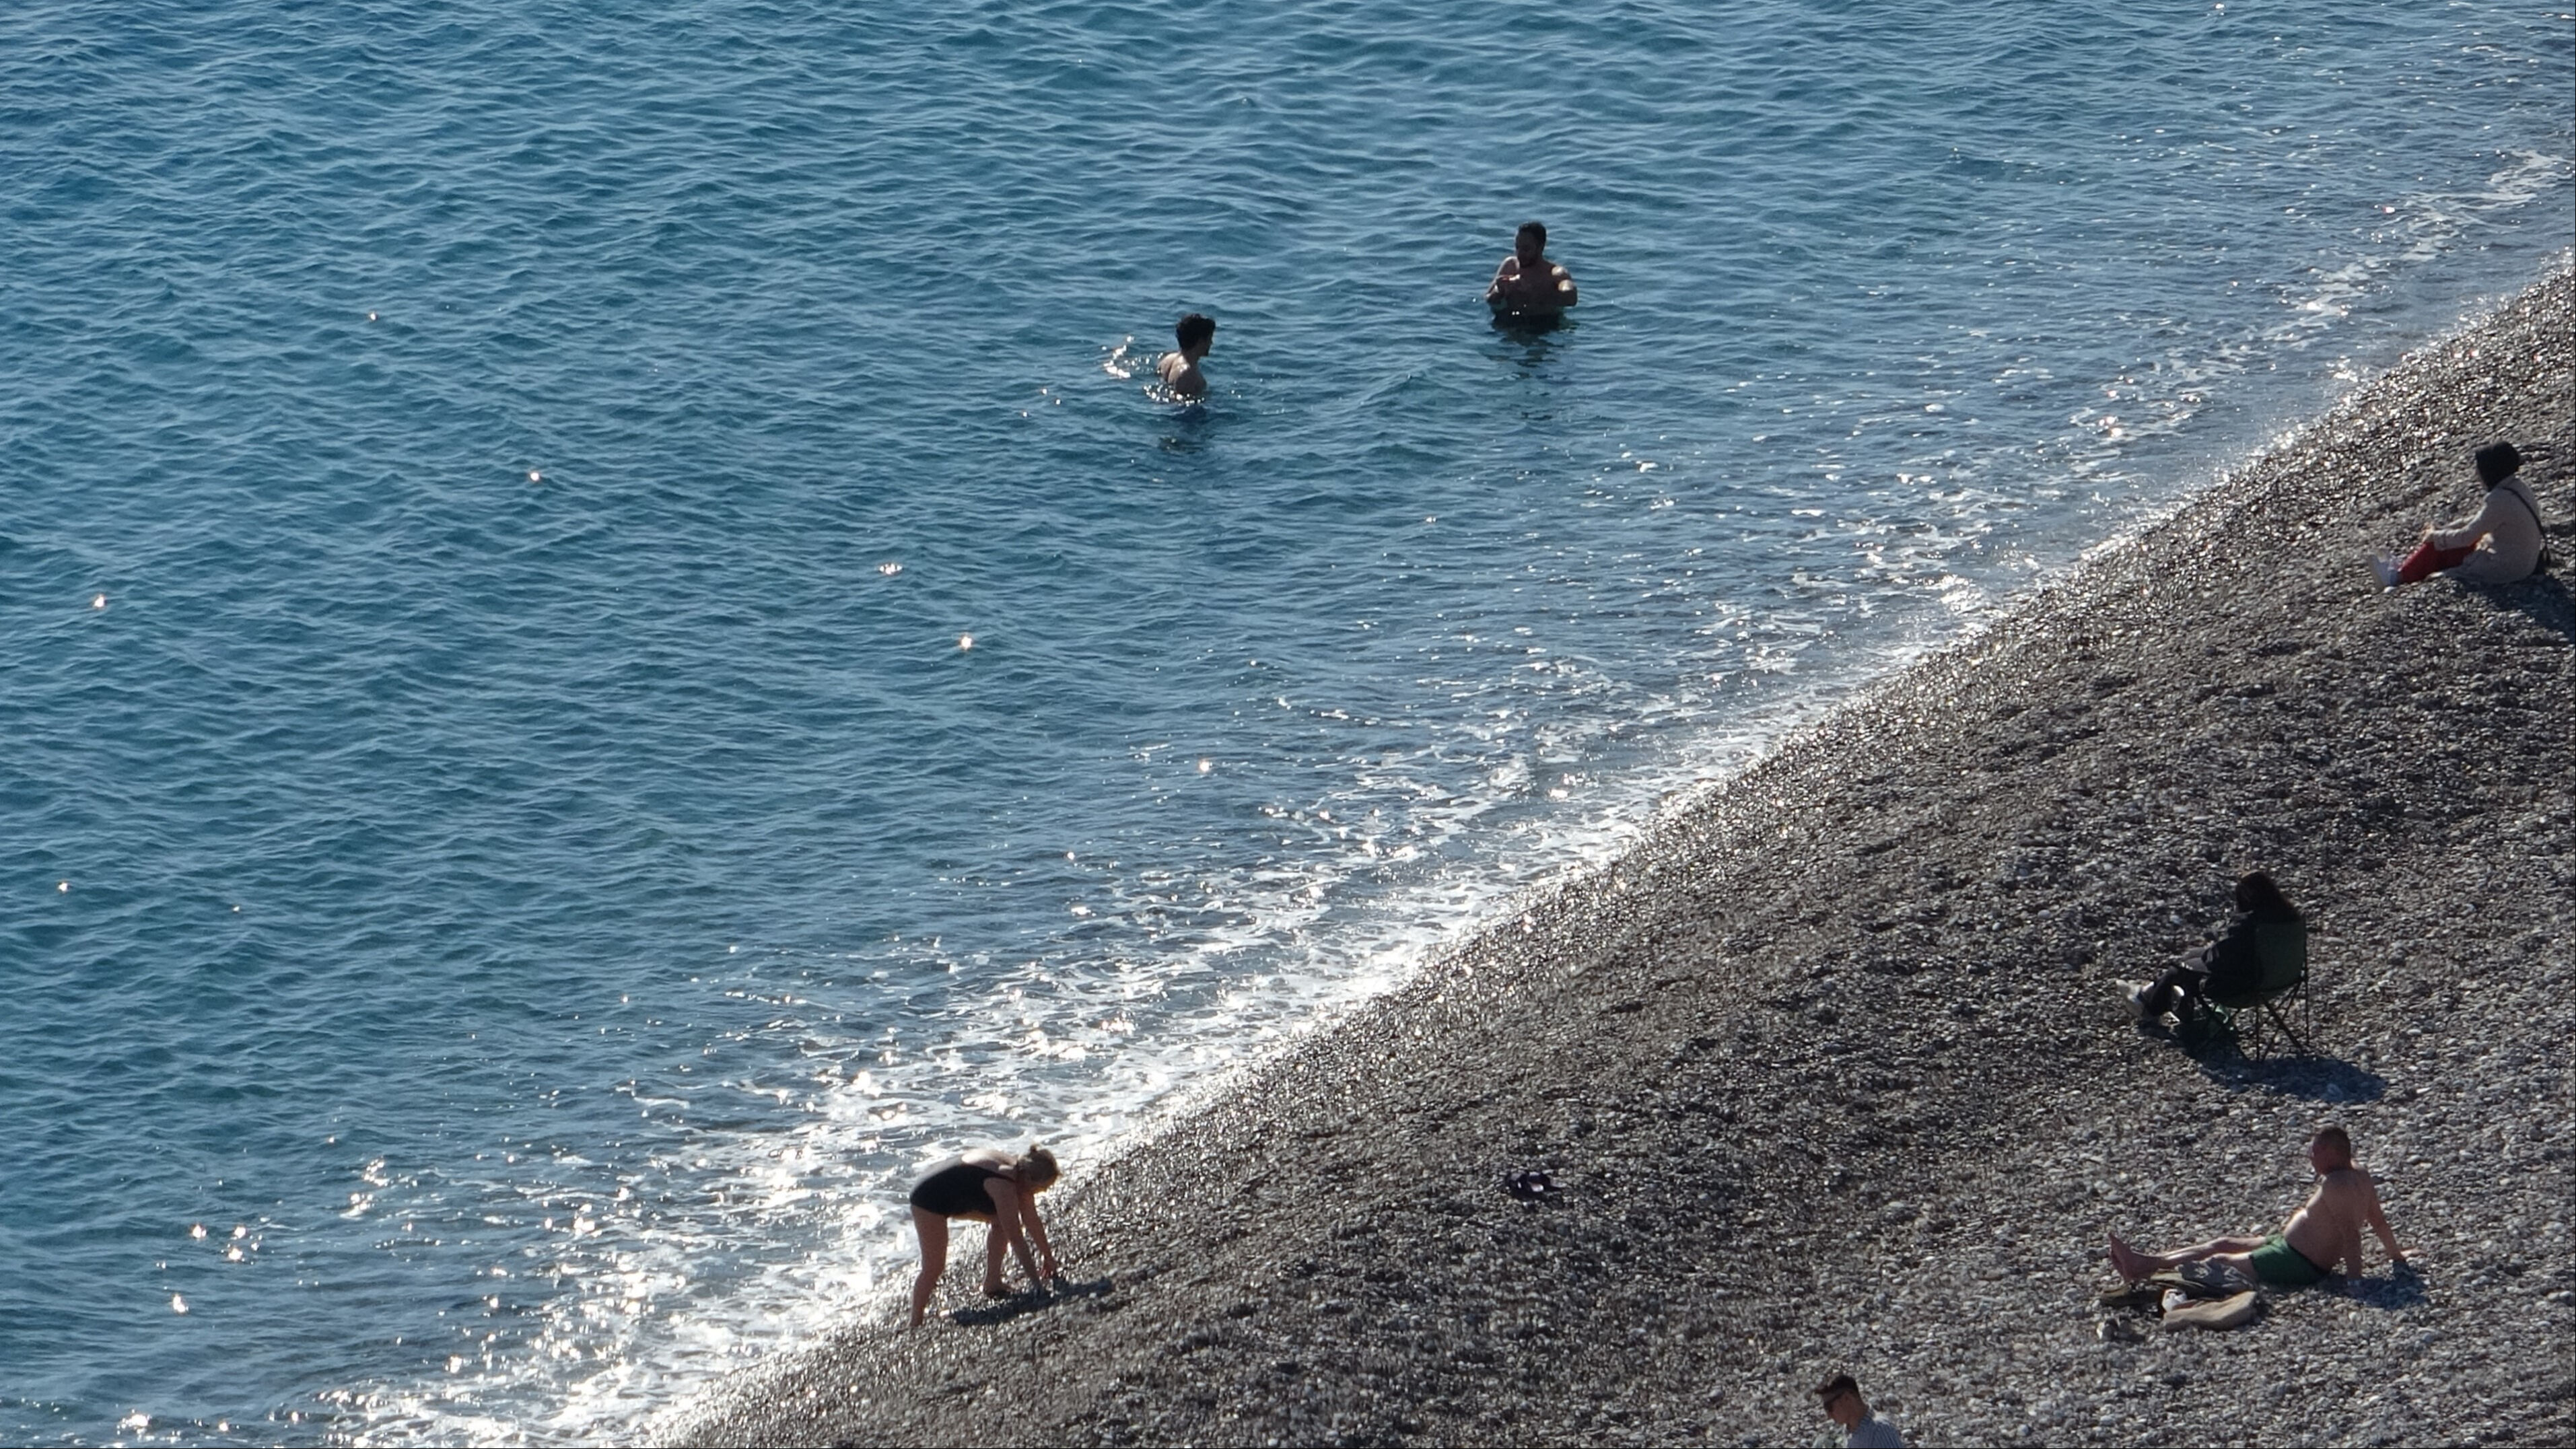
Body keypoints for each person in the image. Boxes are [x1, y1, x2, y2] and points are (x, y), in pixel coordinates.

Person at [2106, 1126, 2406, 1290]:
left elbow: (2351, 1235)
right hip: (2286, 1245)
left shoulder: (2337, 1186)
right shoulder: (2359, 1174)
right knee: (2221, 1242)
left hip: (2300, 1262)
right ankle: (2148, 1261)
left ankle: (2145, 1272)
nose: (2310, 1156)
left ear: (2333, 1154)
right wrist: (2397, 1257)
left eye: (2315, 1151)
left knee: (2220, 1260)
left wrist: (2355, 1282)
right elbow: (2378, 1221)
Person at [2118, 870, 2299, 1028]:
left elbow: (2221, 958)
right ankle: (2153, 996)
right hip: (2280, 980)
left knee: (2179, 968)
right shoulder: (2290, 919)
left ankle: (2150, 1008)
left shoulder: (2250, 923)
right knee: (2193, 955)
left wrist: (2211, 953)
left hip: (2243, 987)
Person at [907, 1143, 1061, 1327]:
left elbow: (1032, 1220)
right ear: (1027, 1177)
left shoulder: (1018, 1172)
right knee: (933, 1267)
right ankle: (915, 1321)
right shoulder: (1004, 1184)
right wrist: (1037, 1285)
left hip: (957, 1190)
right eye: (1041, 1188)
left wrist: (1048, 1257)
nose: (1042, 1192)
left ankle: (992, 1283)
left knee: (1001, 1222)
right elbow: (1017, 1239)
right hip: (928, 1198)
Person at [2370, 441, 2545, 587]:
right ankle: (2407, 566)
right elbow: (2480, 521)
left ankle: (2397, 578)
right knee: (2445, 540)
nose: (2477, 474)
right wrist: (2445, 529)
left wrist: (2436, 536)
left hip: (2505, 568)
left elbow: (2467, 536)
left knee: (2441, 546)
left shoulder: (2499, 499)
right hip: (2524, 562)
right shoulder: (2517, 487)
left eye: (2479, 469)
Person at [1485, 221, 1577, 315]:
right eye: (1517, 247)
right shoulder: (1510, 266)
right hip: (1509, 322)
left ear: (1541, 248)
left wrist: (1533, 292)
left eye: (1526, 249)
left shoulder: (1555, 273)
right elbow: (1488, 298)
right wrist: (1499, 291)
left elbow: (1571, 298)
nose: (1520, 254)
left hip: (1545, 324)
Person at [1814, 1374, 1906, 1448]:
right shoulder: (1847, 1432)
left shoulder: (1879, 1430)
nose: (1829, 1416)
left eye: (1830, 1408)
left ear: (1847, 1399)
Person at [1156, 312, 1216, 399]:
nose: (1211, 343)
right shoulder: (1188, 374)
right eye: (1209, 339)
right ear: (1200, 342)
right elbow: (1181, 406)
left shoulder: (1167, 360)